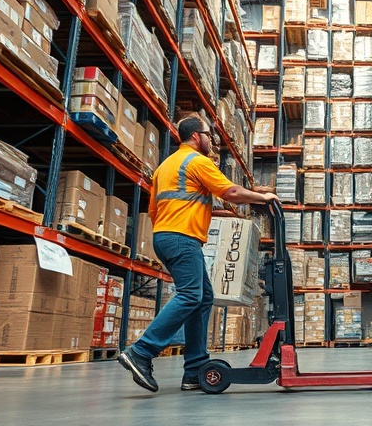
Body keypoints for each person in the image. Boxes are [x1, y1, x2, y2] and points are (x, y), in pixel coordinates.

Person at [118, 116, 277, 392]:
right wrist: (263, 198)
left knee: (202, 298)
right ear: (195, 136)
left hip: (166, 237)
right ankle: (141, 352)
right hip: (181, 239)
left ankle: (194, 369)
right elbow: (230, 191)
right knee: (192, 295)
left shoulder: (165, 167)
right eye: (208, 135)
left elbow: (156, 210)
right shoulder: (197, 161)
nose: (212, 141)